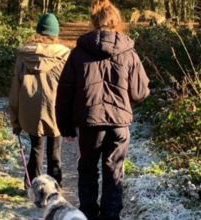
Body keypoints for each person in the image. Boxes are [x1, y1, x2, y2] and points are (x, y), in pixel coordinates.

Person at [55, 0, 150, 219]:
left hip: (90, 124)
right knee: (114, 172)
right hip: (119, 124)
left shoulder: (78, 53)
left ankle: (87, 215)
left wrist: (66, 127)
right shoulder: (129, 53)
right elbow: (140, 92)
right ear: (117, 24)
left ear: (94, 23)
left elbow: (65, 94)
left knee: (87, 171)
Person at [9, 13, 71, 188]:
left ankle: (32, 188)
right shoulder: (64, 56)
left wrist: (15, 121)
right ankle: (55, 188)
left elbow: (15, 88)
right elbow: (69, 87)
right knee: (55, 151)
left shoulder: (24, 55)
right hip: (55, 110)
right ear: (55, 34)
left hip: (30, 112)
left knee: (36, 149)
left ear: (38, 31)